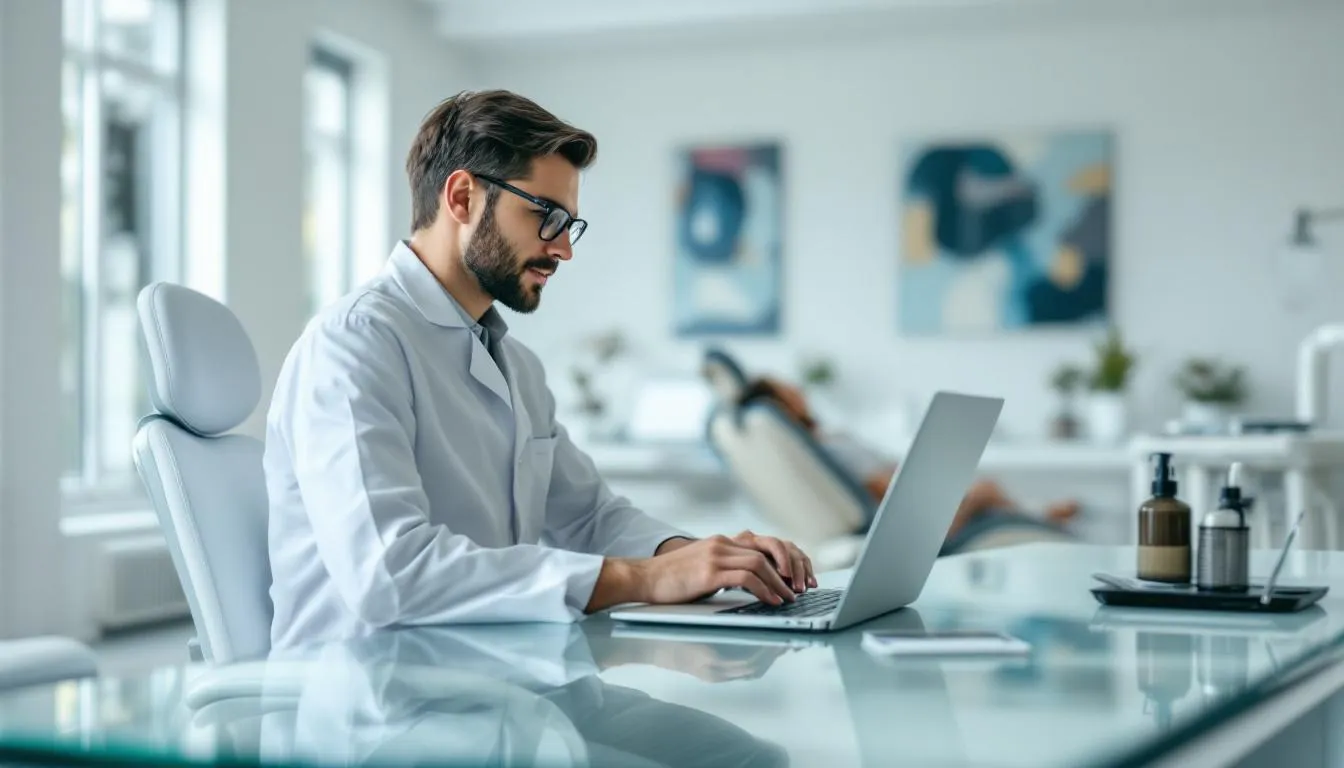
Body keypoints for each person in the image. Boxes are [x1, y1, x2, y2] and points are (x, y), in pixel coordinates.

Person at [263, 90, 815, 650]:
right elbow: (388, 573)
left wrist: (706, 559)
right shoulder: (355, 343)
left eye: (569, 225)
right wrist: (644, 578)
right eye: (545, 216)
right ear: (462, 197)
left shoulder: (517, 367)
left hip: (491, 681)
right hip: (366, 705)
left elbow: (589, 517)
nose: (563, 250)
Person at [734, 376, 1077, 553]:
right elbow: (886, 489)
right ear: (784, 405)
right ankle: (1041, 515)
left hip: (915, 505)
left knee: (983, 490)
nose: (797, 387)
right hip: (918, 524)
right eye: (787, 388)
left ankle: (1039, 514)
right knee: (984, 490)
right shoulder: (833, 448)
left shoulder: (828, 441)